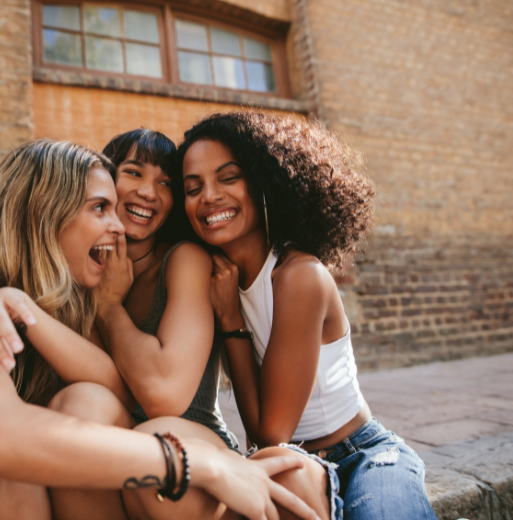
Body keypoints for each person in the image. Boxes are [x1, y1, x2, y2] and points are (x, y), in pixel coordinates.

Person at [0, 139, 318, 520]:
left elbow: (114, 391)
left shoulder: (62, 304)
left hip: (9, 496)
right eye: (100, 208)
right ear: (45, 212)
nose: (118, 227)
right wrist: (195, 464)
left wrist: (30, 312)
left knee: (85, 404)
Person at [175, 112, 438, 519]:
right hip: (298, 465)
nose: (209, 196)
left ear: (264, 181)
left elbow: (270, 434)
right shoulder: (217, 279)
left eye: (228, 178)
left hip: (363, 454)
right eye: (193, 188)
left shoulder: (299, 276)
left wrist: (231, 323)